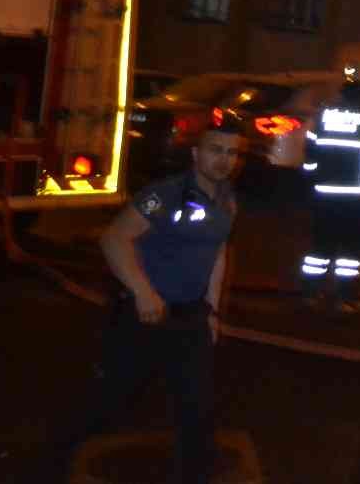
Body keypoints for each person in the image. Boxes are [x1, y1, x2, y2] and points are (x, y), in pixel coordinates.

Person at [50, 117, 246, 483]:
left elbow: (217, 253)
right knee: (110, 400)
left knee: (197, 406)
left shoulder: (227, 200)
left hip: (191, 319)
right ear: (195, 152)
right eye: (215, 149)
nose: (224, 160)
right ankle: (55, 459)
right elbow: (114, 239)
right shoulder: (166, 194)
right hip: (144, 316)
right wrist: (144, 292)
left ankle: (196, 474)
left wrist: (212, 312)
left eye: (232, 152)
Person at [299, 65, 360, 312]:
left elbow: (310, 151)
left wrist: (311, 178)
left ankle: (310, 294)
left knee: (320, 246)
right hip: (356, 197)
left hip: (323, 193)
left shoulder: (325, 112)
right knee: (350, 251)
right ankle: (345, 299)